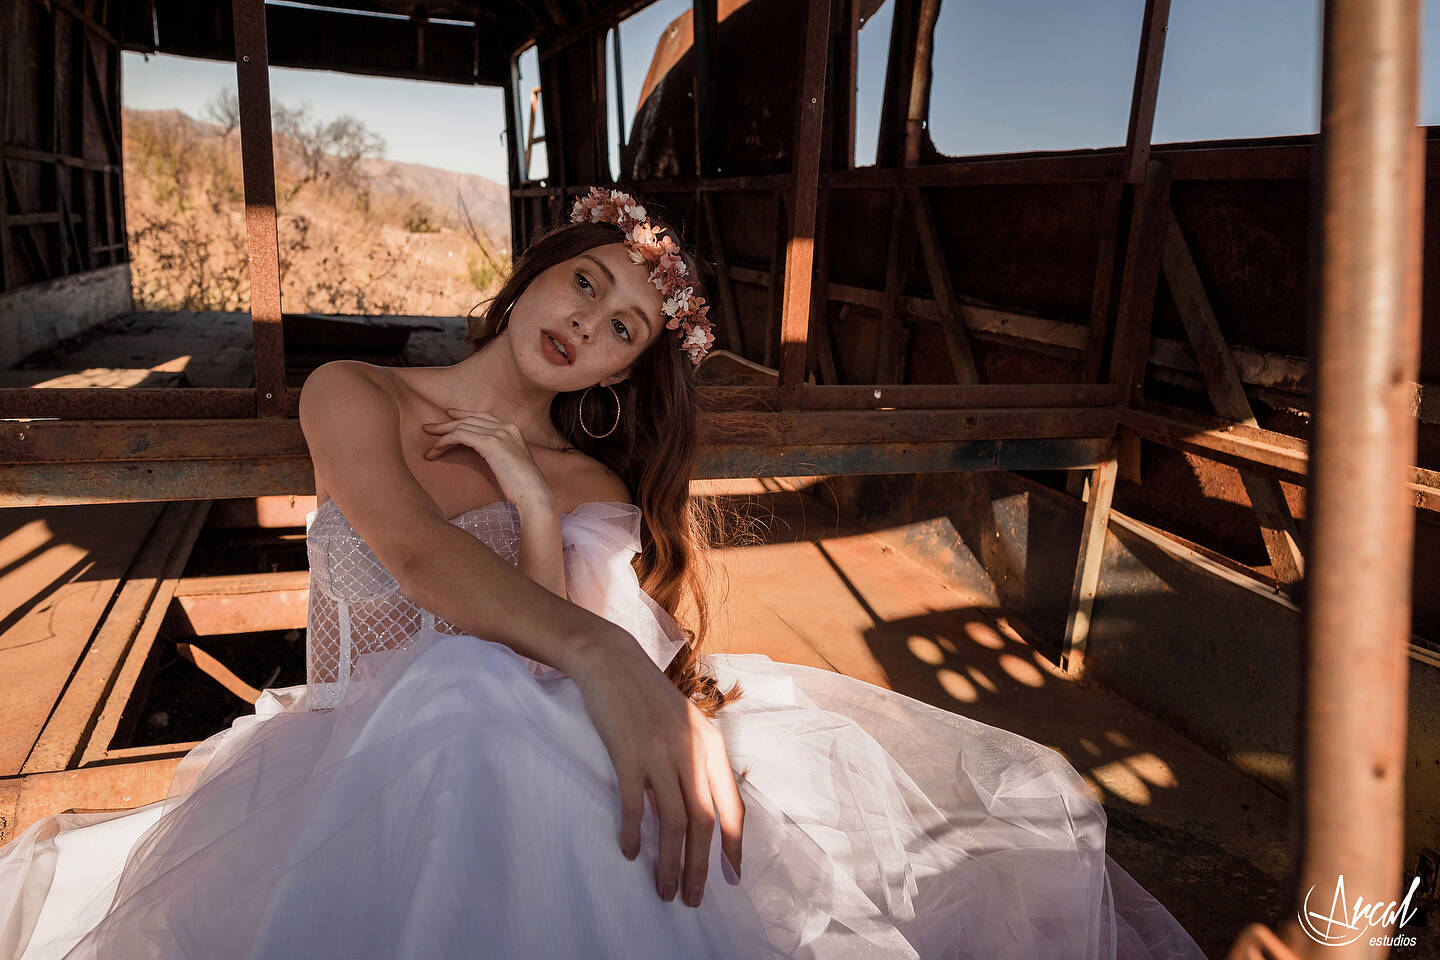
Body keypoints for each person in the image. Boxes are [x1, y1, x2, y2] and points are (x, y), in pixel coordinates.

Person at [0, 187, 1208, 960]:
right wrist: (605, 653)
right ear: (535, 272)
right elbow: (419, 562)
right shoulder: (356, 396)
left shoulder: (585, 489)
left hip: (512, 744)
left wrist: (533, 501)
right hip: (357, 761)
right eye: (588, 281)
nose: (592, 320)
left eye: (627, 325)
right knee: (458, 700)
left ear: (618, 377)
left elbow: (537, 656)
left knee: (481, 704)